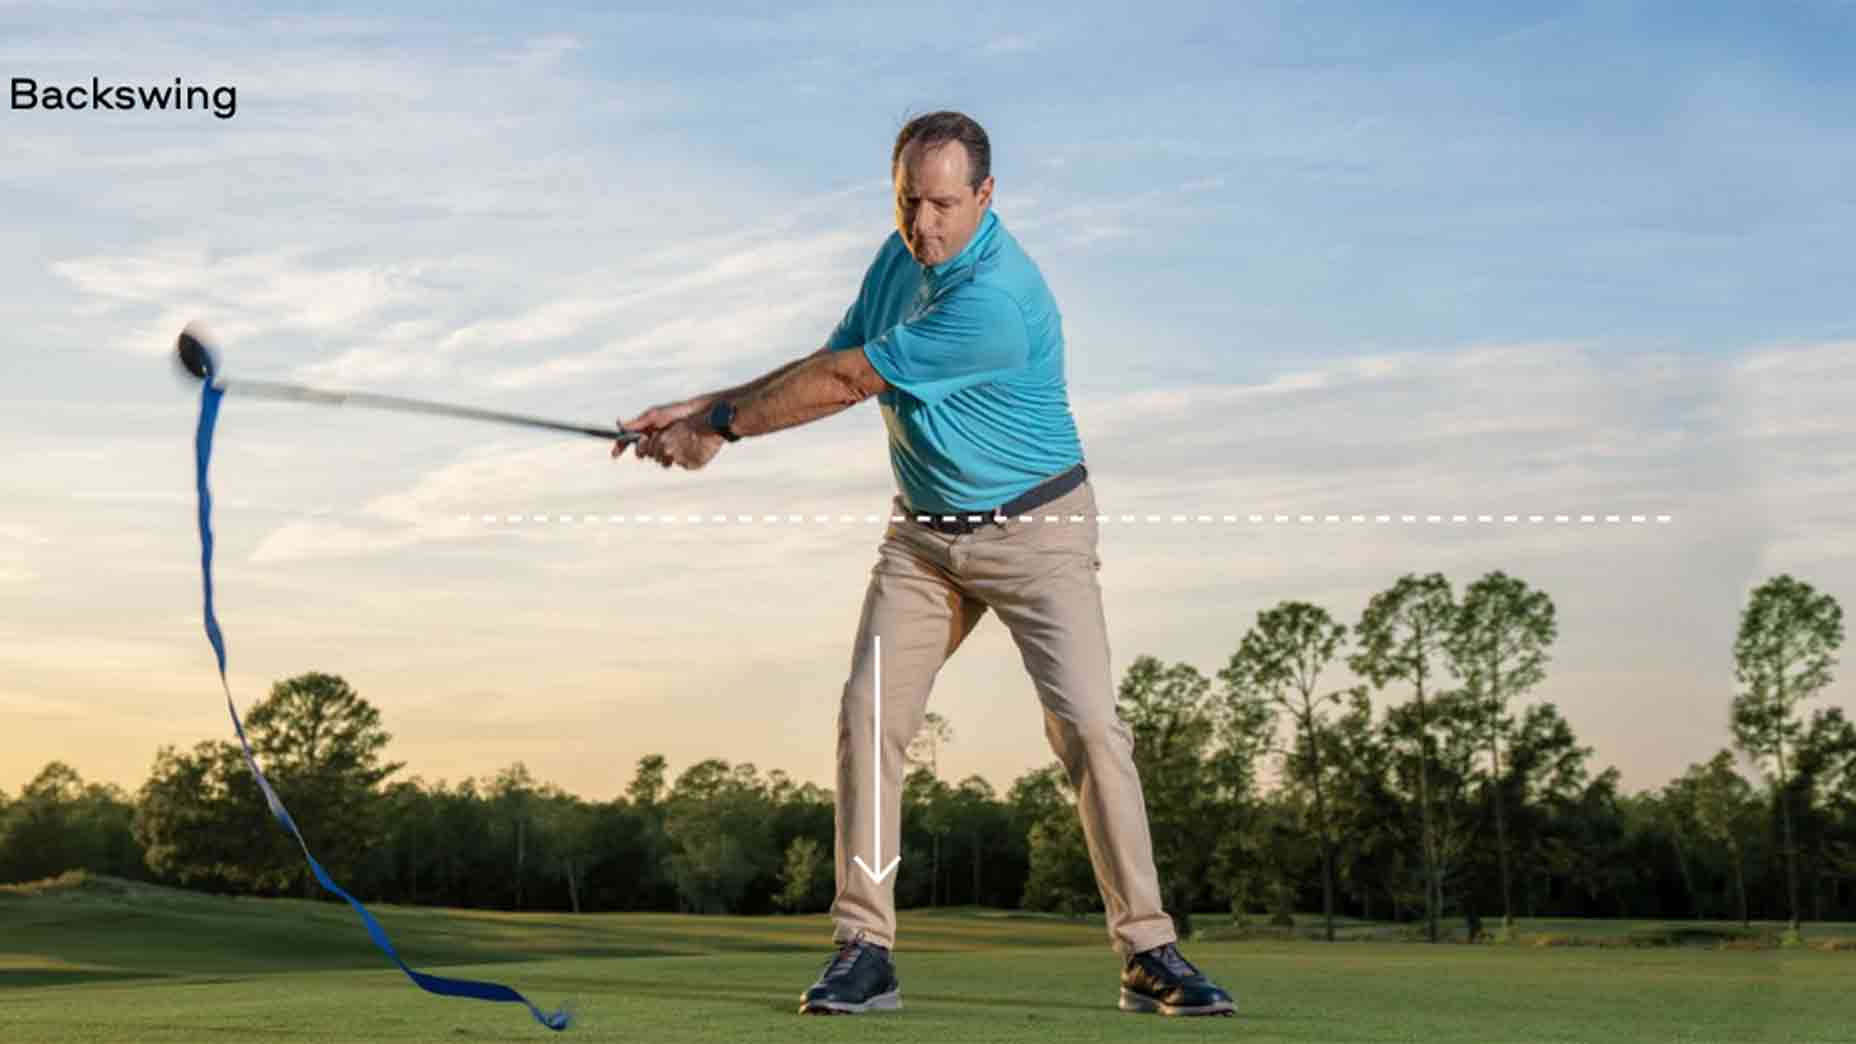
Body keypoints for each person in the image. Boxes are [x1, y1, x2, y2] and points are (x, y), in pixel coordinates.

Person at [612, 111, 1234, 1018]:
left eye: (945, 204)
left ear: (986, 197)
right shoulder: (897, 256)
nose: (925, 225)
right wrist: (700, 407)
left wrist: (715, 431)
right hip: (923, 540)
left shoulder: (995, 301)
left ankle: (1149, 949)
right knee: (869, 717)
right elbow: (832, 355)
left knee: (1091, 732)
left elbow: (850, 381)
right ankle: (866, 948)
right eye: (909, 201)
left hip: (1038, 536)